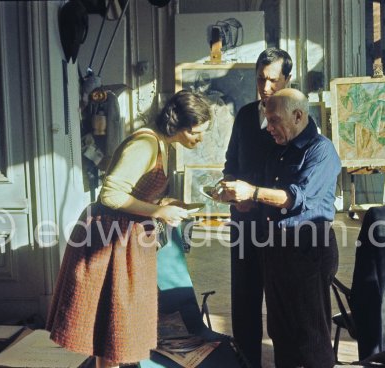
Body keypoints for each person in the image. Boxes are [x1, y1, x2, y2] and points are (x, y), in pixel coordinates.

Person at [46, 90, 211, 368]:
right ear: (178, 125)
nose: (200, 138)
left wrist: (163, 202)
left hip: (126, 238)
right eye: (197, 131)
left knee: (117, 328)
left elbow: (135, 193)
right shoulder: (145, 144)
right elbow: (110, 195)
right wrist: (158, 211)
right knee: (111, 327)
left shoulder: (162, 144)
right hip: (108, 239)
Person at [221, 88, 341, 368]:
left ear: (298, 115)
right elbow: (269, 196)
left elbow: (295, 198)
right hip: (275, 251)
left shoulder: (321, 151)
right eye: (267, 120)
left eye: (274, 121)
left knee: (311, 338)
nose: (268, 128)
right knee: (281, 334)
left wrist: (251, 193)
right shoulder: (278, 149)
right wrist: (245, 203)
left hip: (307, 252)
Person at [222, 47, 292, 368]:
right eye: (261, 79)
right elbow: (230, 164)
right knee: (244, 305)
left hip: (280, 230)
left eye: (273, 80)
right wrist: (231, 193)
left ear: (288, 80)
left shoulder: (299, 121)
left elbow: (299, 182)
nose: (265, 88)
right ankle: (248, 362)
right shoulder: (245, 116)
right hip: (244, 225)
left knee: (281, 309)